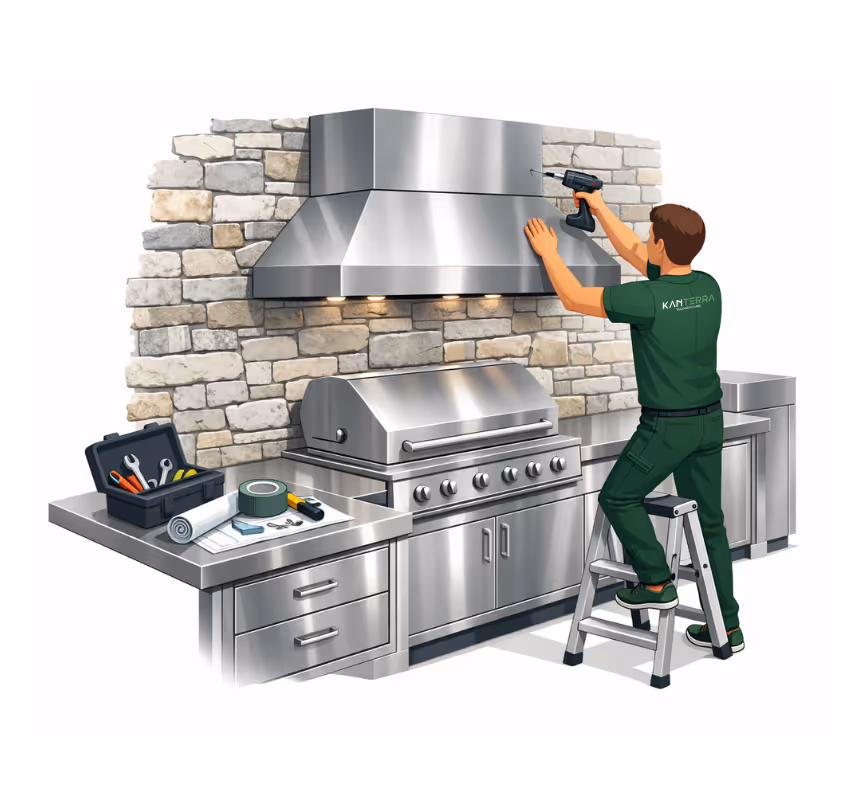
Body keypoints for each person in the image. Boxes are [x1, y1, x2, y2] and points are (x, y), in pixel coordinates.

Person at [523, 195, 743, 653]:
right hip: (709, 422)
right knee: (711, 524)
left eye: (651, 237)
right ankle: (727, 624)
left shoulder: (647, 299)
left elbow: (573, 296)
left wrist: (549, 253)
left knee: (618, 496)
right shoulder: (707, 286)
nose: (645, 242)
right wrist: (599, 207)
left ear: (662, 244)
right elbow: (633, 252)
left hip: (667, 427)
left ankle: (656, 581)